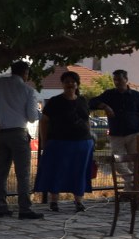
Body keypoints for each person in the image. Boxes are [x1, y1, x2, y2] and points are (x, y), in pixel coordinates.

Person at [0, 61, 42, 219]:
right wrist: (37, 112)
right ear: (25, 73)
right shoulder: (28, 90)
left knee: (0, 172)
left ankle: (0, 205)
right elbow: (32, 117)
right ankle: (25, 208)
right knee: (23, 173)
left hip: (0, 132)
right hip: (19, 132)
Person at [34, 71, 94, 213]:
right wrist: (45, 141)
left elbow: (87, 120)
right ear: (62, 84)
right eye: (67, 81)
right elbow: (44, 121)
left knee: (79, 172)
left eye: (73, 81)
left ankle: (79, 201)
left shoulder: (83, 100)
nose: (70, 84)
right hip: (59, 142)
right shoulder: (55, 101)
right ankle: (54, 201)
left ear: (77, 84)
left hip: (82, 142)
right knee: (57, 170)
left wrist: (90, 138)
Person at [89, 69, 139, 186]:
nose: (117, 82)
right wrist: (105, 106)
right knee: (118, 162)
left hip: (134, 133)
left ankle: (130, 190)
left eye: (119, 79)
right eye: (115, 80)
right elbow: (91, 102)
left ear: (126, 80)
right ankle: (132, 183)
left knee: (134, 163)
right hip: (116, 134)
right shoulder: (109, 94)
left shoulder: (136, 95)